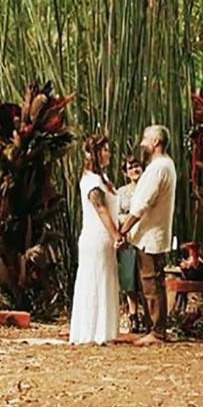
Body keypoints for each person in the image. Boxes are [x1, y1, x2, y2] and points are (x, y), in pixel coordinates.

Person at [119, 125, 177, 345]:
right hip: (150, 233)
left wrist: (122, 230)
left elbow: (141, 205)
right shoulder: (163, 165)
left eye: (145, 138)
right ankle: (154, 327)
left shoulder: (158, 168)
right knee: (151, 282)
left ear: (155, 142)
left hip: (150, 234)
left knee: (151, 282)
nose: (141, 142)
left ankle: (157, 331)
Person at [69, 135, 123, 345]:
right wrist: (116, 234)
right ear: (96, 154)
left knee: (106, 279)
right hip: (96, 237)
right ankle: (92, 331)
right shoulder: (91, 181)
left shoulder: (103, 179)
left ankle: (105, 330)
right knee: (94, 280)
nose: (109, 153)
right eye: (105, 150)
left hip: (105, 239)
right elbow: (101, 209)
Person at [116, 155, 145, 332]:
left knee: (145, 278)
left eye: (137, 166)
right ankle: (133, 315)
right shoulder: (121, 192)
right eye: (130, 167)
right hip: (128, 238)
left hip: (144, 236)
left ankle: (148, 315)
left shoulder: (148, 188)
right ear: (126, 173)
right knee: (129, 279)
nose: (134, 170)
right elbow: (117, 213)